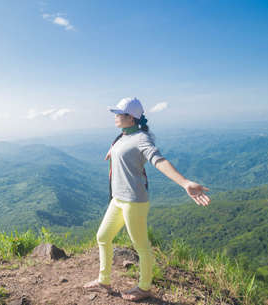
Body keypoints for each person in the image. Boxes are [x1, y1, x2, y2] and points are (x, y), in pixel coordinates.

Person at [83, 97, 211, 301]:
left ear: (131, 118)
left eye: (119, 113)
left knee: (141, 246)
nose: (116, 116)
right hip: (118, 199)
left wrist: (185, 182)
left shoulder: (142, 139)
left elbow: (158, 160)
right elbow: (123, 146)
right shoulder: (122, 136)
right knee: (103, 237)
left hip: (134, 201)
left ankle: (144, 288)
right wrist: (113, 151)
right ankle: (103, 281)